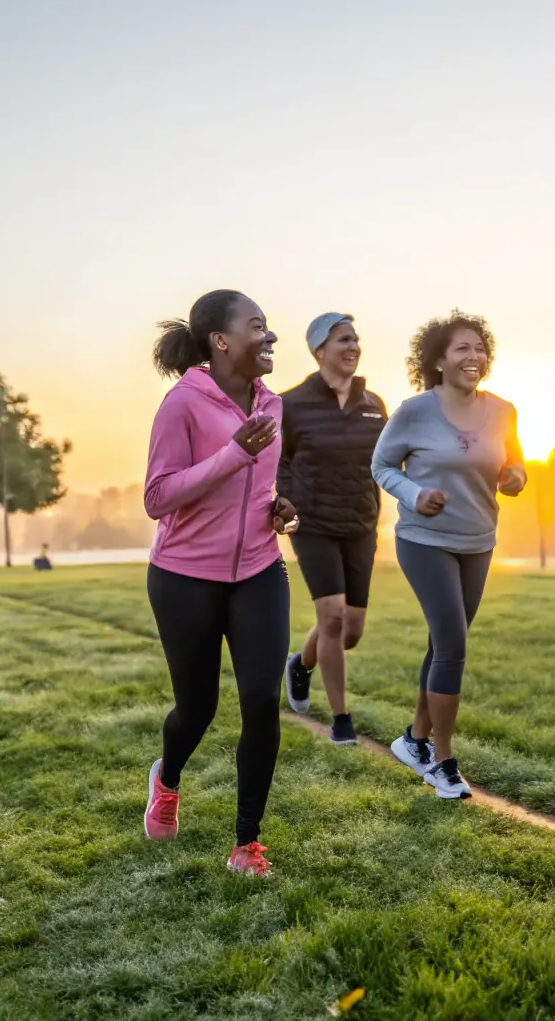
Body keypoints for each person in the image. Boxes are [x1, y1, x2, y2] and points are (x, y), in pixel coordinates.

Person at [141, 289, 300, 877]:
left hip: (260, 568)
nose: (270, 337)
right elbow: (159, 498)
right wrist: (233, 454)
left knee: (261, 701)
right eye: (258, 326)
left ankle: (246, 844)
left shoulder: (272, 404)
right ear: (221, 341)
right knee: (198, 707)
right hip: (184, 577)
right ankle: (168, 780)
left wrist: (279, 506)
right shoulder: (181, 404)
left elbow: (256, 488)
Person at [372, 311, 525, 799]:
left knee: (443, 645)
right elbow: (381, 465)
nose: (473, 356)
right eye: (461, 348)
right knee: (453, 645)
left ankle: (413, 739)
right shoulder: (415, 411)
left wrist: (516, 477)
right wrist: (415, 494)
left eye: (479, 347)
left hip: (478, 540)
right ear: (438, 360)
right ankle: (442, 761)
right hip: (424, 539)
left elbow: (514, 462)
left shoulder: (503, 411)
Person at [278, 313, 388, 745]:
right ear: (319, 349)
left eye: (356, 339)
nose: (353, 346)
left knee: (352, 631)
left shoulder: (373, 404)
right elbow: (279, 462)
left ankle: (300, 665)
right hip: (313, 523)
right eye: (344, 339)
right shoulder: (291, 403)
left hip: (360, 523)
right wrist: (286, 503)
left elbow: (387, 458)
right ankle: (341, 720)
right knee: (332, 617)